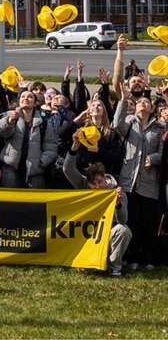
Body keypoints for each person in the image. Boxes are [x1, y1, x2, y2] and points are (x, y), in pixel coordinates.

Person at [113, 78, 164, 270]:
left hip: (149, 182)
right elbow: (117, 125)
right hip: (129, 180)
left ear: (151, 109)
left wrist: (155, 158)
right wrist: (123, 101)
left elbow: (163, 151)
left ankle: (148, 258)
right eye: (140, 102)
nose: (143, 103)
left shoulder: (159, 128)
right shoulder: (129, 122)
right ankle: (132, 258)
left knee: (148, 222)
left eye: (147, 102)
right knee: (132, 220)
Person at [63, 132, 131, 276]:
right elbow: (67, 169)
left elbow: (123, 220)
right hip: (87, 234)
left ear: (105, 179)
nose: (96, 186)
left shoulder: (116, 190)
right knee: (85, 270)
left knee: (124, 230)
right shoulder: (83, 184)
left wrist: (118, 205)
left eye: (99, 182)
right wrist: (74, 147)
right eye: (92, 184)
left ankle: (114, 267)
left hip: (107, 234)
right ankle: (92, 262)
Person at [0, 89, 58, 189]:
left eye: (30, 97)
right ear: (19, 101)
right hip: (11, 167)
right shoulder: (9, 116)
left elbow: (51, 147)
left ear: (35, 103)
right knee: (10, 201)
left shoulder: (44, 123)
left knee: (34, 202)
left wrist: (41, 162)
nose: (26, 98)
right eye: (23, 96)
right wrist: (9, 122)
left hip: (35, 171)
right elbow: (1, 133)